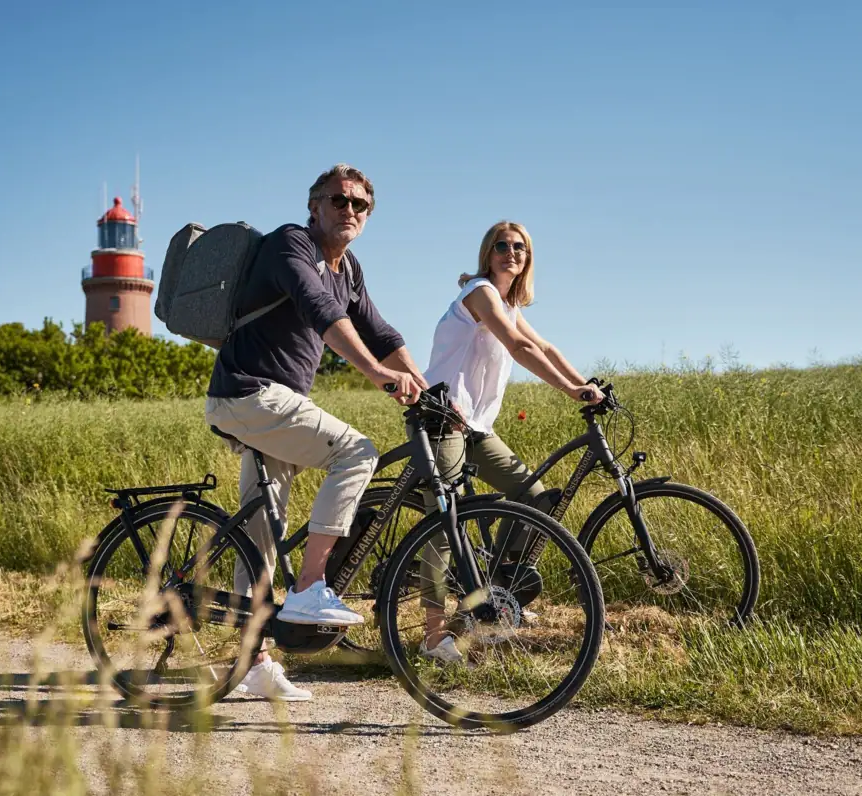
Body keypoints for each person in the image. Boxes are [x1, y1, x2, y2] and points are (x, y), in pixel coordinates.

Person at [205, 164, 428, 701]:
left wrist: (427, 386)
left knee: (260, 533)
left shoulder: (347, 267)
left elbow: (379, 330)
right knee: (357, 451)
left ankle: (250, 665)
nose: (349, 211)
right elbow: (320, 310)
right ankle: (308, 589)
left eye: (360, 205)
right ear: (315, 207)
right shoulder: (292, 245)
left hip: (274, 405)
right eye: (339, 201)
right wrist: (377, 374)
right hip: (248, 394)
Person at [417, 220, 604, 664]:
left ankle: (494, 596)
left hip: (476, 427)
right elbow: (519, 347)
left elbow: (545, 347)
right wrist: (571, 392)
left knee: (533, 498)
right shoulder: (480, 293)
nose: (511, 252)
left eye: (519, 247)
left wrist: (588, 384)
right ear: (488, 253)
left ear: (528, 258)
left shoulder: (508, 305)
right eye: (502, 245)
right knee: (445, 524)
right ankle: (431, 636)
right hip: (443, 418)